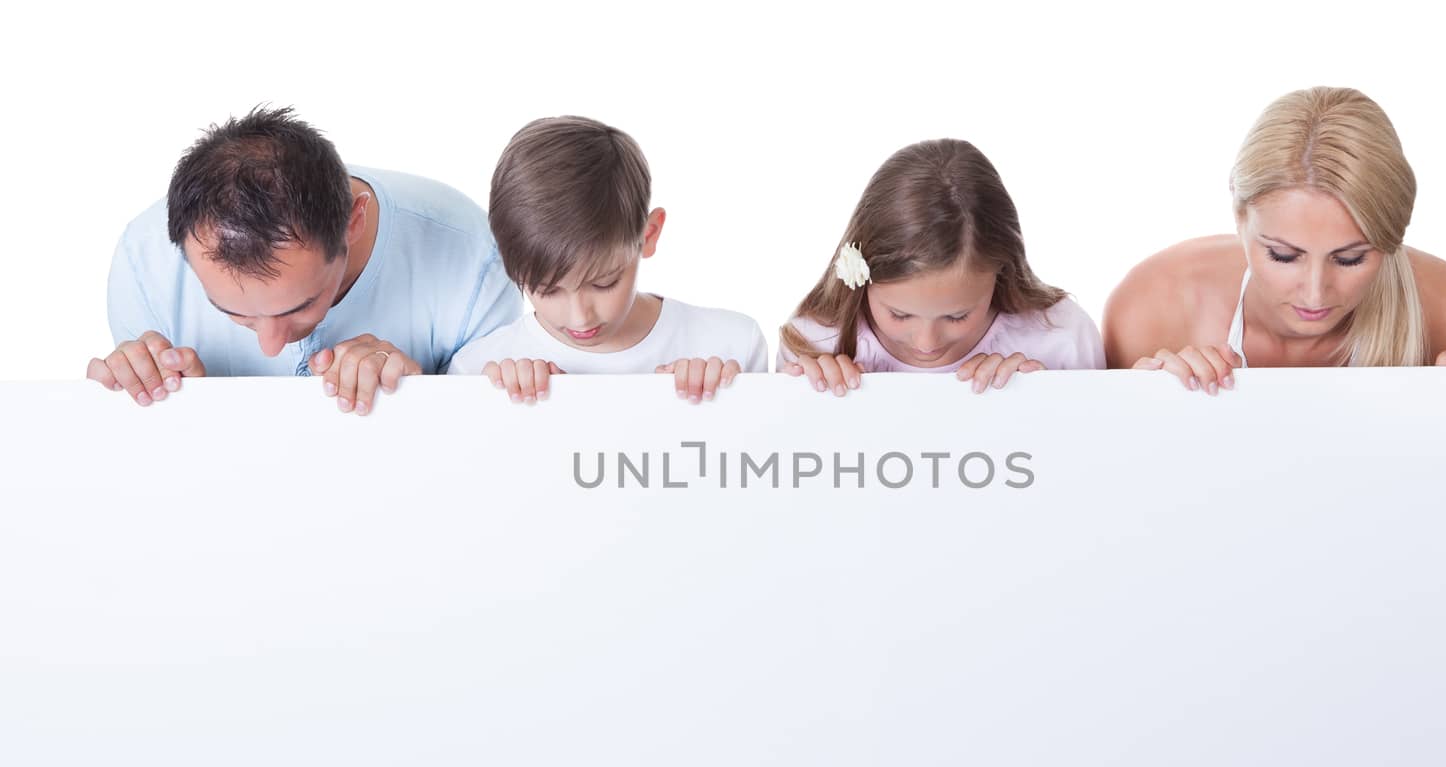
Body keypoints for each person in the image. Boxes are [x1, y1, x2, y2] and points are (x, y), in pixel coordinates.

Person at [1103, 86, 1446, 399]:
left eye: (1350, 259)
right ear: (1240, 219)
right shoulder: (1152, 302)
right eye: (1283, 255)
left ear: (1392, 237)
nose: (1315, 293)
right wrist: (1132, 408)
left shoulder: (1445, 304)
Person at [88, 106, 523, 415]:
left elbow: (493, 453)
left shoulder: (472, 258)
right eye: (232, 313)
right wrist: (167, 410)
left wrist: (420, 401)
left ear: (353, 222)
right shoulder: (145, 263)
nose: (270, 345)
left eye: (299, 306)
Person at [448, 116, 767, 404]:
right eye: (548, 290)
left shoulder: (733, 345)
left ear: (649, 235)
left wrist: (723, 405)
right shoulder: (478, 373)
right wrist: (502, 411)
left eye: (604, 283)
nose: (580, 318)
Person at [778, 138, 1104, 396]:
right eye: (900, 314)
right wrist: (807, 402)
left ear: (1002, 273)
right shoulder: (813, 340)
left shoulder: (1060, 337)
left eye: (957, 316)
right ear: (861, 279)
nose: (927, 343)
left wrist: (1047, 400)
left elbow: (1096, 459)